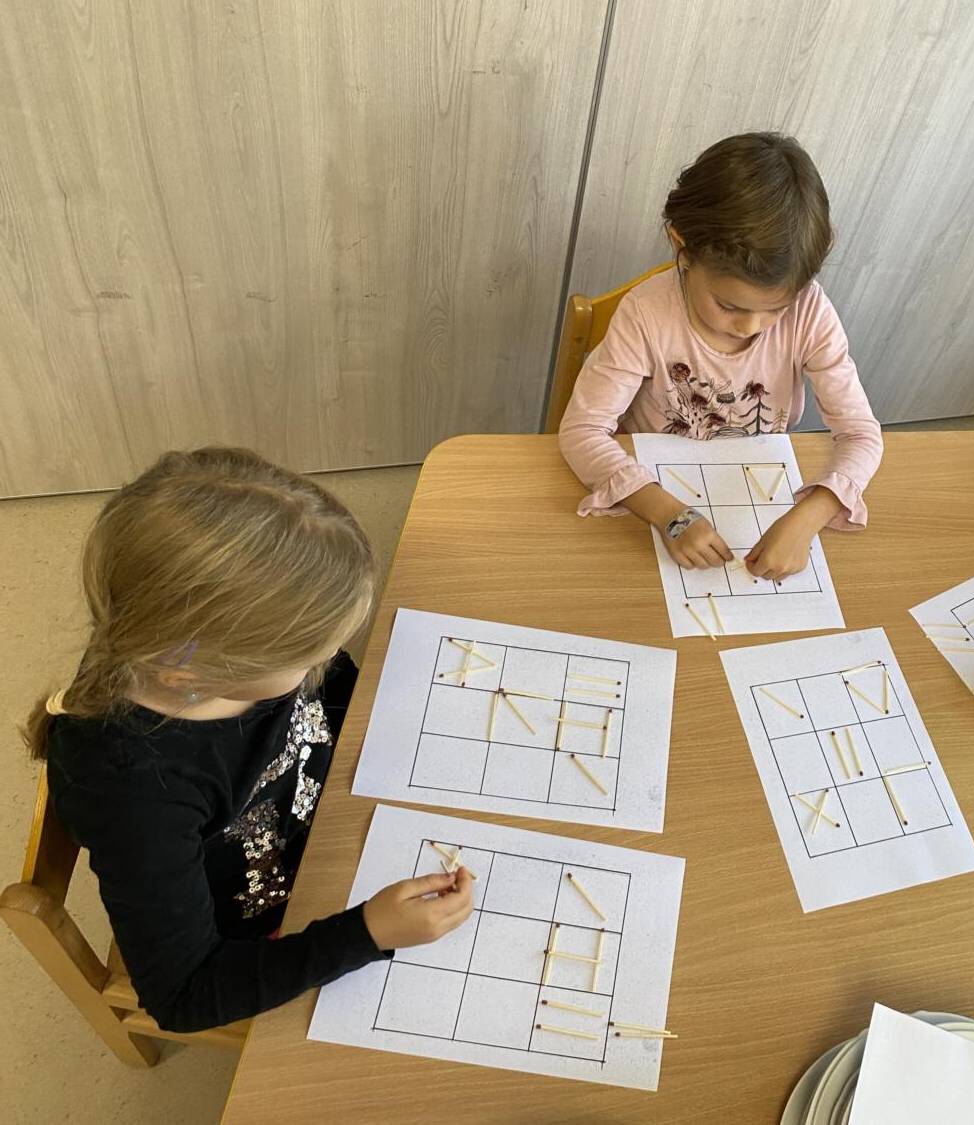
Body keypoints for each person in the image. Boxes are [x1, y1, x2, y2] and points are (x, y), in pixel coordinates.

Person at [27, 447, 474, 1032]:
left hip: (334, 821)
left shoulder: (189, 640)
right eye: (310, 655)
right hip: (265, 924)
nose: (326, 660)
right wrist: (367, 933)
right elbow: (183, 996)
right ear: (199, 672)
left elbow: (331, 688)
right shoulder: (134, 790)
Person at [558, 131, 883, 582]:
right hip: (652, 489)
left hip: (755, 485)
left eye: (776, 308)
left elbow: (861, 434)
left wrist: (812, 514)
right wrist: (666, 513)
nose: (752, 327)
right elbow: (582, 431)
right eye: (729, 306)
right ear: (681, 247)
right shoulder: (645, 313)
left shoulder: (810, 311)